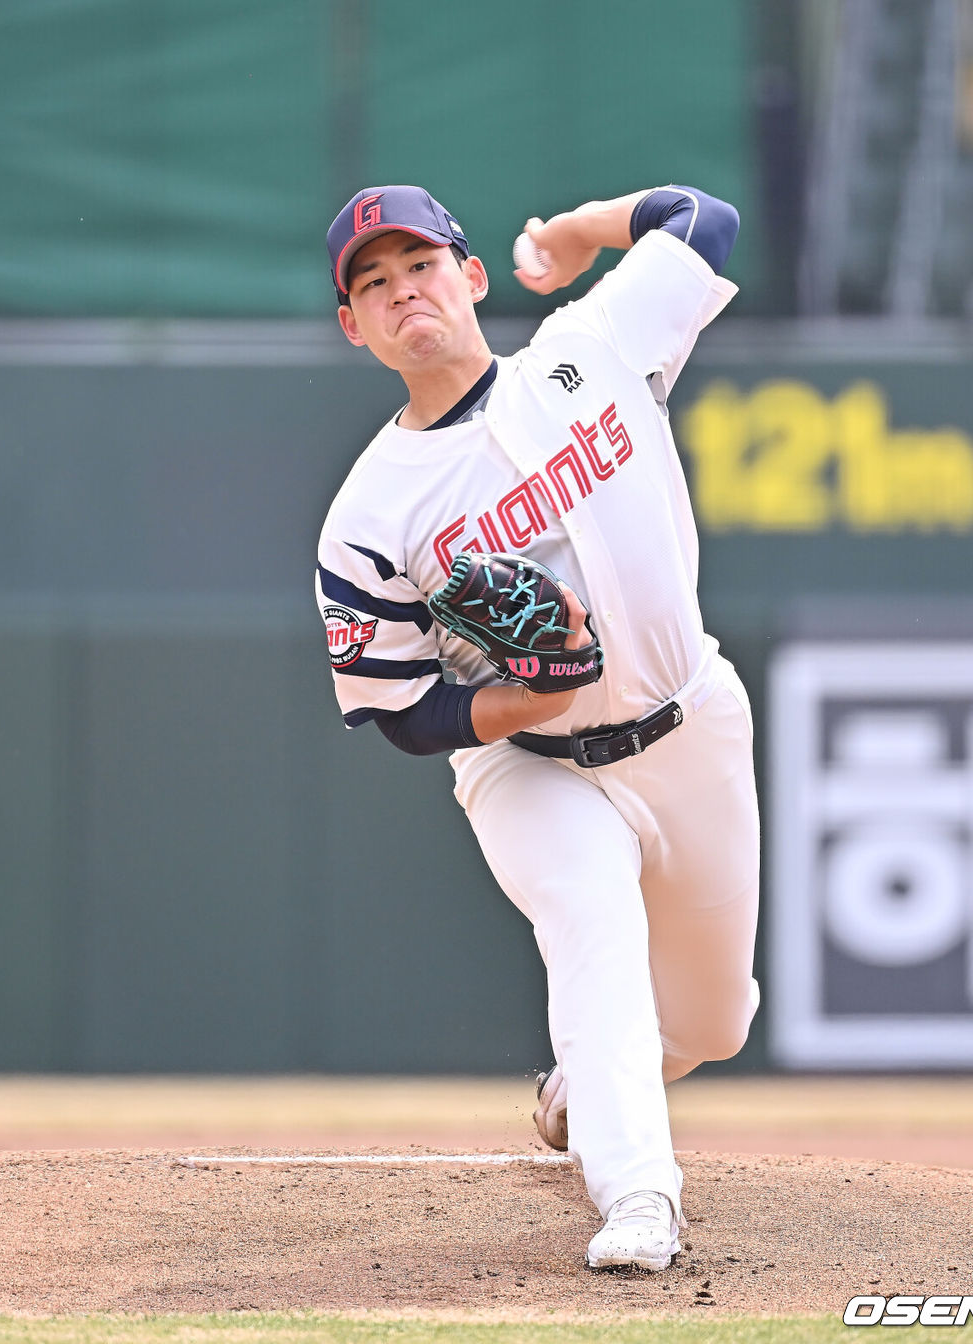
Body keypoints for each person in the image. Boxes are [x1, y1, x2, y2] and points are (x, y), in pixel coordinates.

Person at [315, 182, 760, 1271]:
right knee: (590, 921)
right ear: (355, 327)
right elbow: (404, 710)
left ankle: (587, 1088)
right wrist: (525, 702)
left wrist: (571, 233)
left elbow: (703, 222)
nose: (402, 291)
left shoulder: (591, 345)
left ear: (470, 278)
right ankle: (639, 1198)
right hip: (531, 767)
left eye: (420, 264)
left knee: (713, 1026)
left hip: (688, 721)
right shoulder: (369, 515)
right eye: (373, 284)